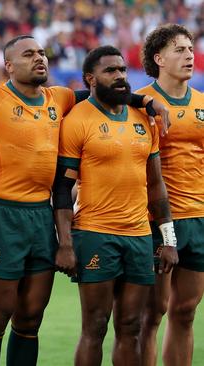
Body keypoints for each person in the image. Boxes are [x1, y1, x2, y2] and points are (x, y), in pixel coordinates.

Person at [0, 35, 169, 366]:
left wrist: (145, 102)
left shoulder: (61, 98)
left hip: (42, 214)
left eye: (42, 53)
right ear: (9, 66)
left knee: (30, 318)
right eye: (29, 54)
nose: (39, 58)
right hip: (0, 213)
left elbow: (104, 90)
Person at [52, 45, 179, 366]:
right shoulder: (76, 120)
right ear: (90, 79)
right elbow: (63, 189)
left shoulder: (143, 117)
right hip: (96, 234)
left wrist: (168, 239)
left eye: (123, 70)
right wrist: (65, 244)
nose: (121, 76)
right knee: (94, 327)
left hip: (138, 237)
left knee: (131, 327)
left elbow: (156, 185)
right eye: (111, 71)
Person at [137, 24, 204, 366]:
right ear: (159, 58)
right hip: (157, 219)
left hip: (199, 217)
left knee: (186, 311)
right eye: (179, 49)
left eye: (190, 48)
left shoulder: (202, 104)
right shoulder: (142, 104)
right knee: (152, 313)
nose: (189, 55)